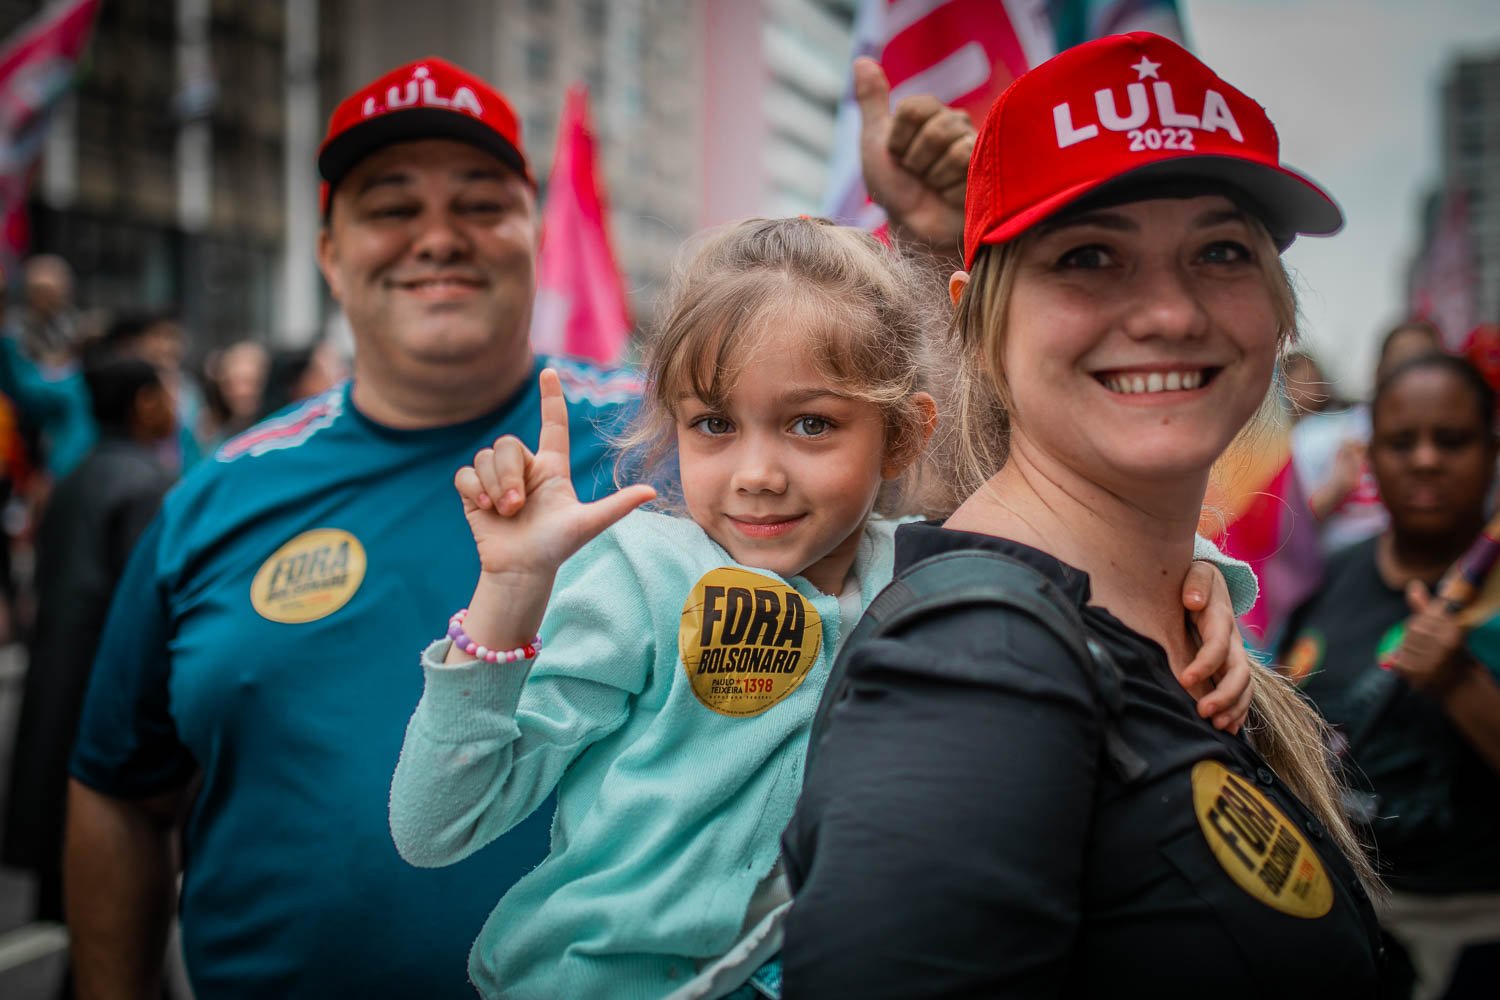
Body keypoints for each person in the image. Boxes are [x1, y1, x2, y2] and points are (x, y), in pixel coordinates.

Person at [388, 216, 1259, 1000]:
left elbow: (1081, 554)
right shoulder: (641, 575)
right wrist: (507, 593)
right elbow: (436, 828)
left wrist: (1203, 578)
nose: (757, 472)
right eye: (714, 425)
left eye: (810, 426)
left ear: (906, 434)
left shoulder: (930, 579)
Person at [781, 32, 1384, 997]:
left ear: (1278, 313)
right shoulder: (979, 663)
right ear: (976, 321)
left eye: (1221, 250)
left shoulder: (1162, 612)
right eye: (1091, 256)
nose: (1171, 313)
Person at [63, 57, 640, 999]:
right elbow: (119, 788)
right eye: (392, 207)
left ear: (536, 234)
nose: (439, 238)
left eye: (482, 204)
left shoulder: (671, 444)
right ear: (330, 252)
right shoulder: (217, 498)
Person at [1279, 353, 1500, 999]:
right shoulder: (1331, 574)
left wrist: (1459, 684)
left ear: (1491, 451)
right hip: (1343, 914)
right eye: (1402, 442)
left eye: (1452, 441)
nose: (1426, 460)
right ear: (1371, 457)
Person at [3, 354, 175, 928]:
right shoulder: (146, 482)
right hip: (108, 684)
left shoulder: (75, 476)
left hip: (57, 674)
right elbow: (152, 605)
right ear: (145, 403)